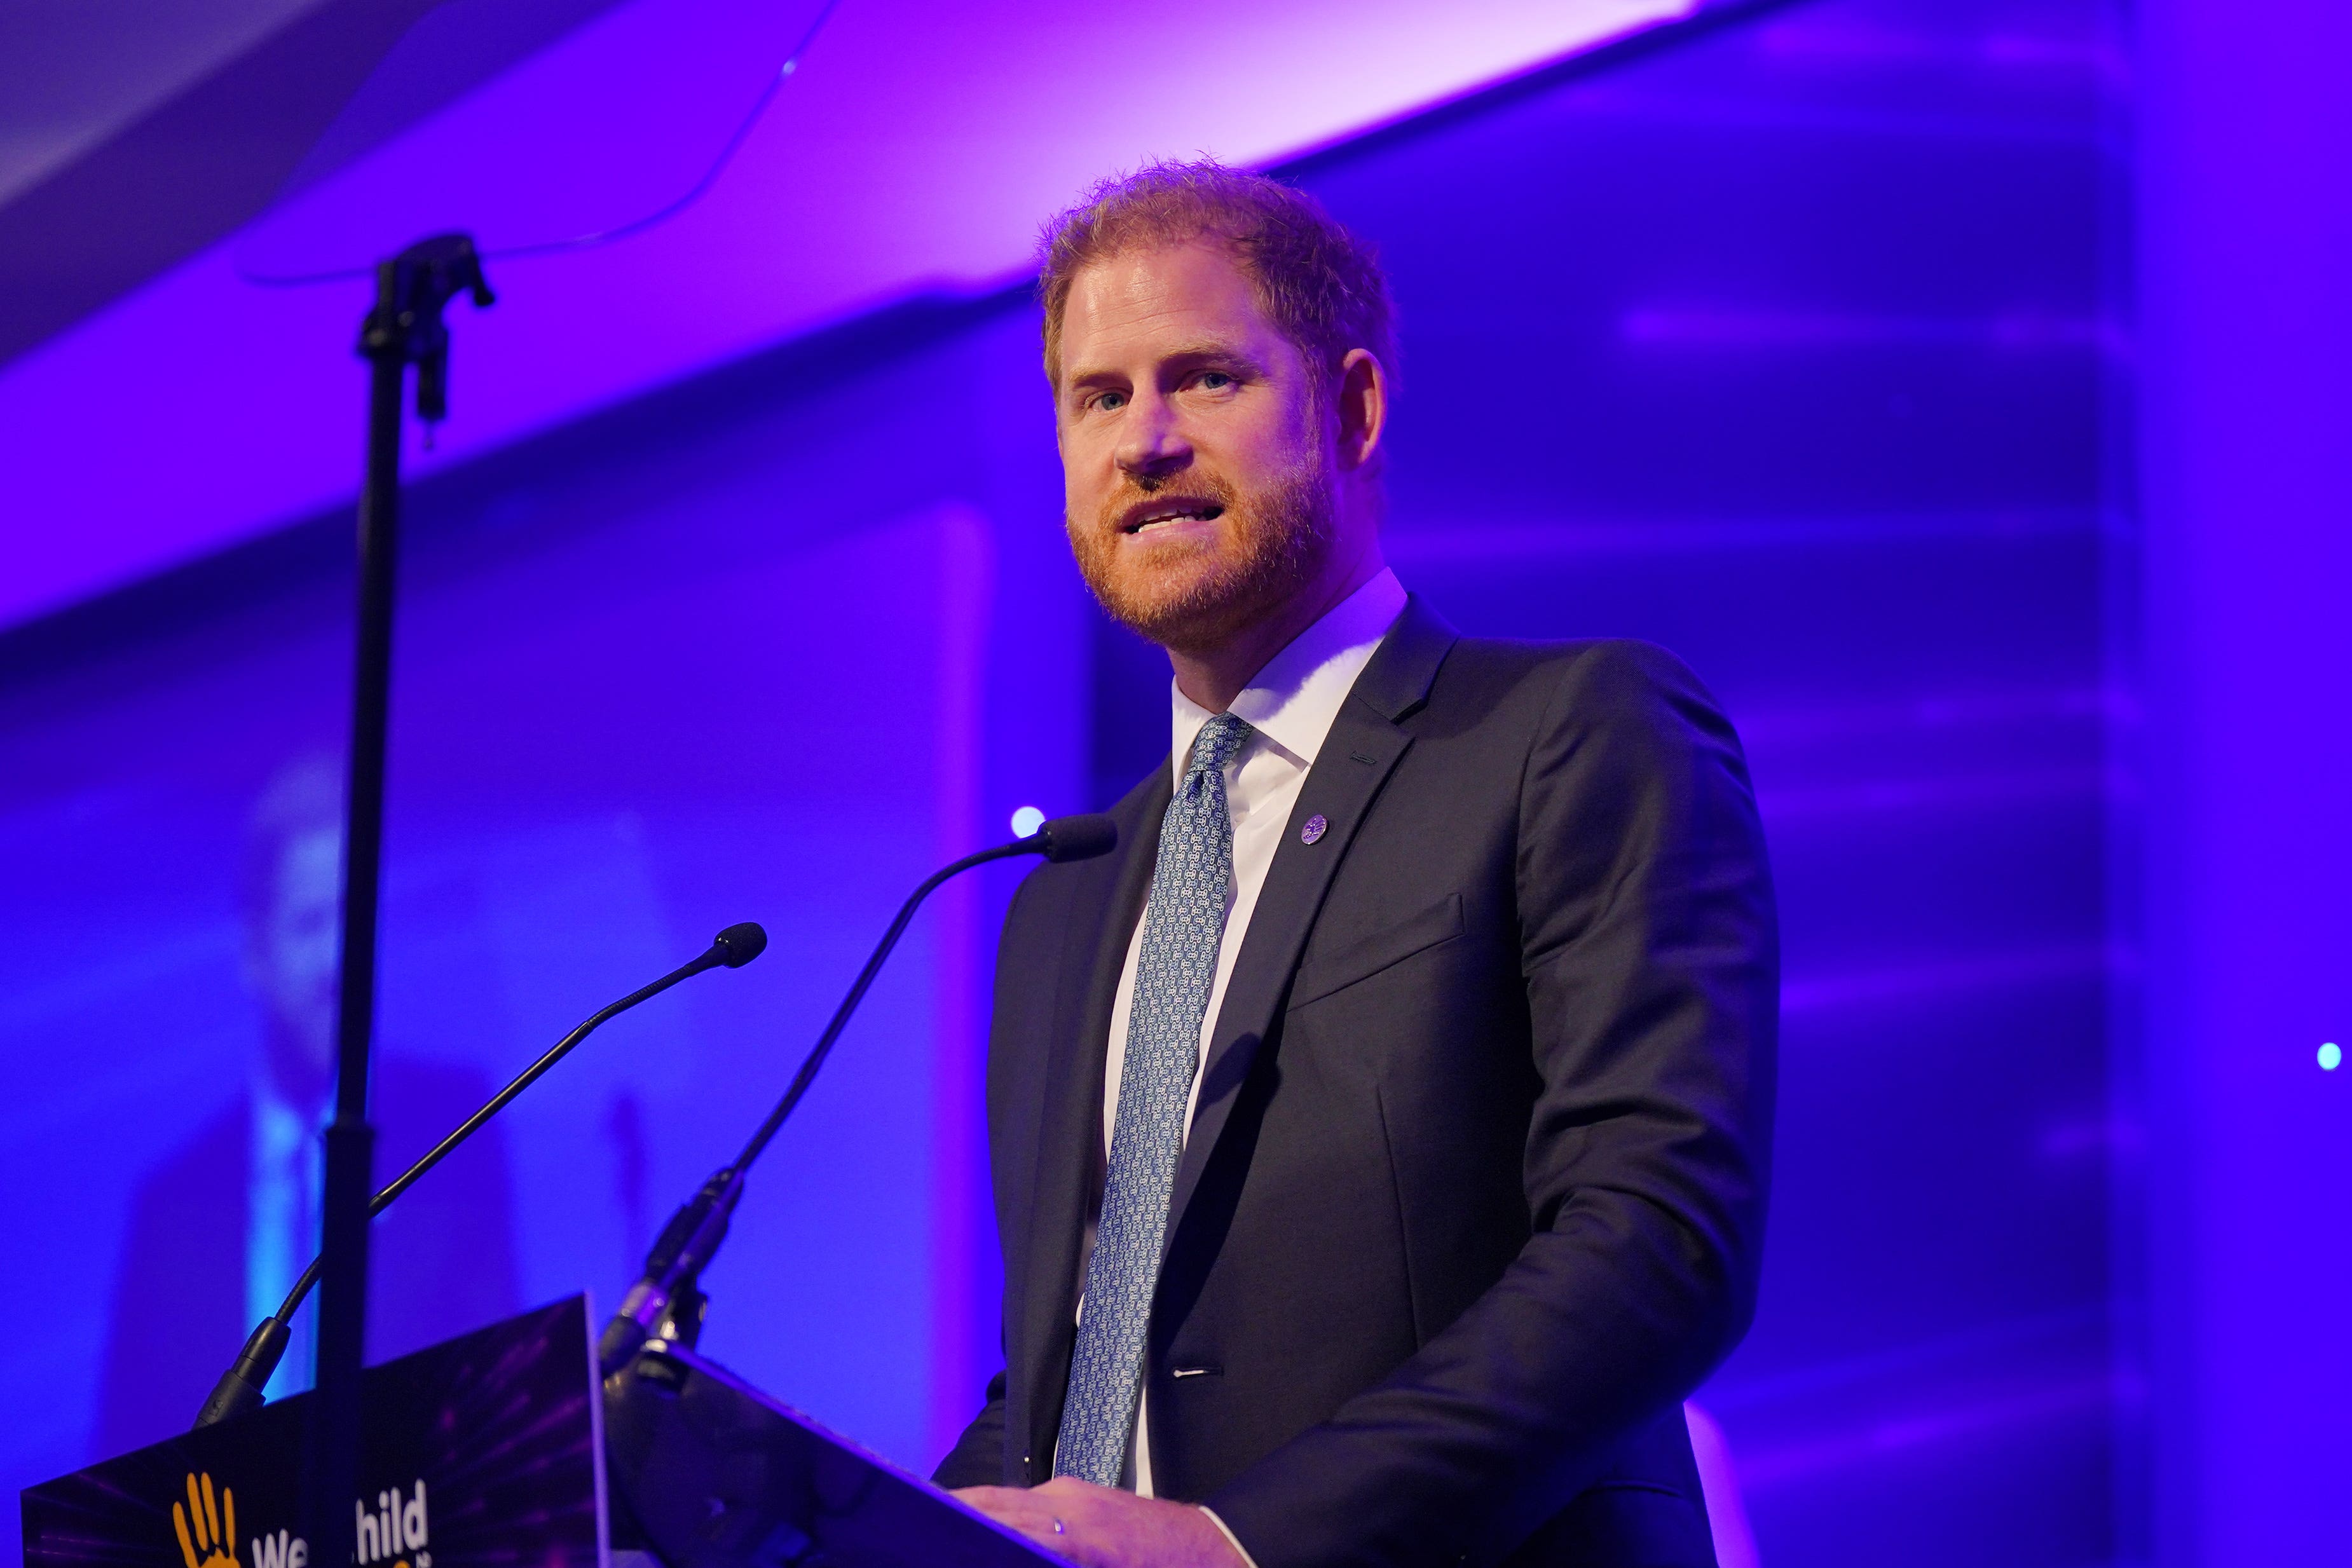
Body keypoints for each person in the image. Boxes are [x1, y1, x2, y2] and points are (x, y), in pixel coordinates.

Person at [934, 162, 1778, 1567]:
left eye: (1202, 379)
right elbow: (1077, 1376)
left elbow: (1655, 1241)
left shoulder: (1569, 732)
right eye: (1097, 396)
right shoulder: (1060, 901)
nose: (1141, 441)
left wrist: (1242, 1543)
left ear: (1352, 407)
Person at [94, 758, 520, 1456]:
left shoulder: (457, 1126)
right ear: (253, 951)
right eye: (310, 923)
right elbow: (119, 1465)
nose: (336, 962)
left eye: (352, 921)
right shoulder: (170, 1203)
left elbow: (498, 1386)